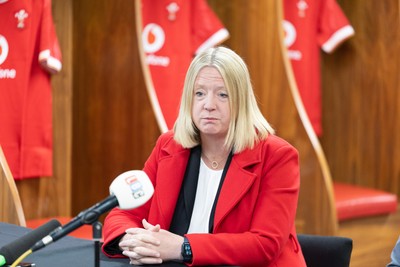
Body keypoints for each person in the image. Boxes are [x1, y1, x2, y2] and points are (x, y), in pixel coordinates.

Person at [102, 46, 306, 266]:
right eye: (199, 93)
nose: (209, 105)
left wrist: (183, 247)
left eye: (222, 94)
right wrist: (132, 241)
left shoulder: (277, 156)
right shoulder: (169, 146)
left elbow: (265, 244)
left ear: (241, 101)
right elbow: (122, 215)